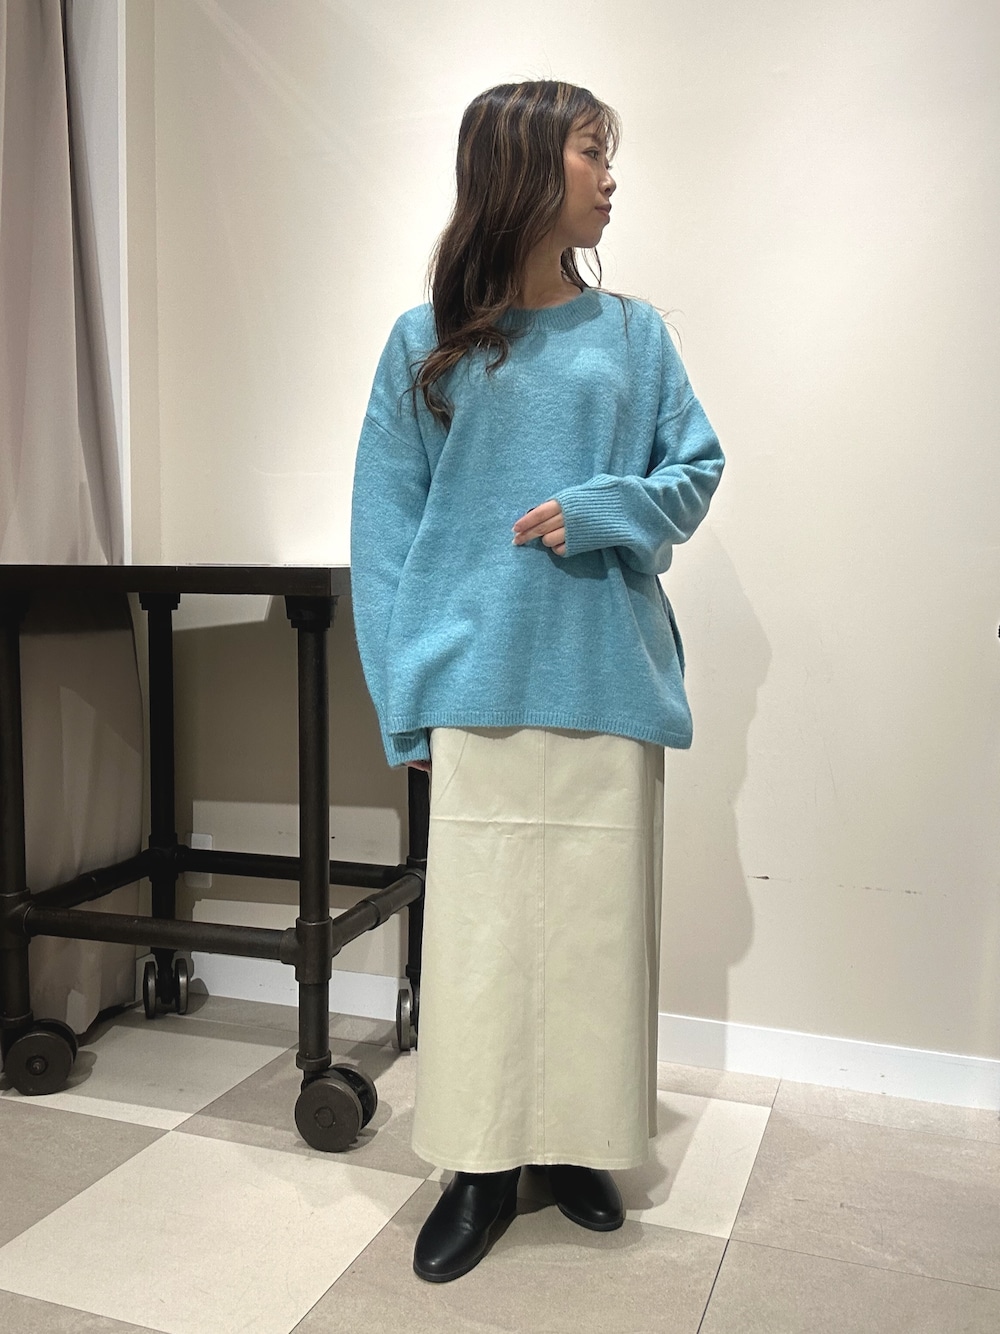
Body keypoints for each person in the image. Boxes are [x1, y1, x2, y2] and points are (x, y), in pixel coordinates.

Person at [350, 79, 724, 1283]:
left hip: (606, 674)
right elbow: (383, 533)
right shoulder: (424, 342)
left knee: (594, 939)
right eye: (589, 153)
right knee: (481, 942)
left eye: (608, 155)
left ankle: (576, 1146)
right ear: (520, 165)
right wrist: (399, 695)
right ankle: (478, 1163)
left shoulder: (636, 335)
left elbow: (695, 469)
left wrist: (607, 508)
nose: (610, 178)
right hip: (474, 680)